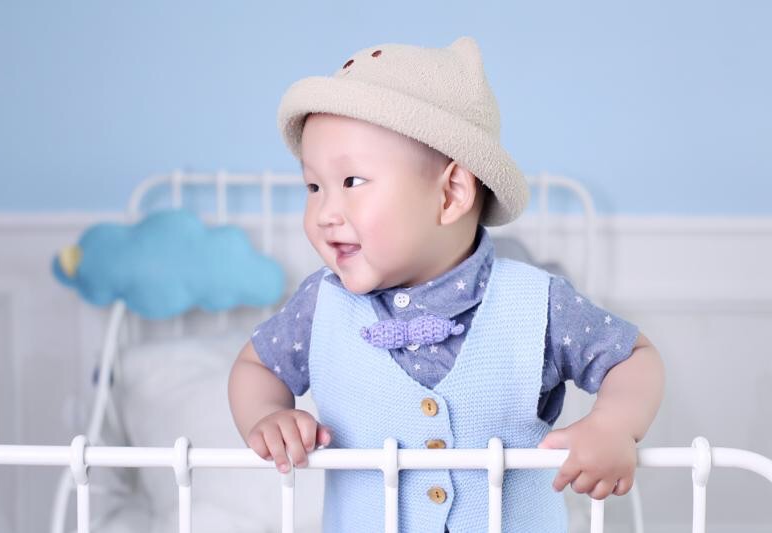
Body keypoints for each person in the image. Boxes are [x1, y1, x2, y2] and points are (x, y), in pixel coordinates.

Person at [228, 36, 664, 532]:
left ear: (452, 193)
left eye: (351, 182)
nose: (325, 212)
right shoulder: (321, 306)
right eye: (313, 187)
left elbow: (633, 357)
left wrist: (613, 424)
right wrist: (267, 414)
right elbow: (255, 364)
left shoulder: (536, 305)